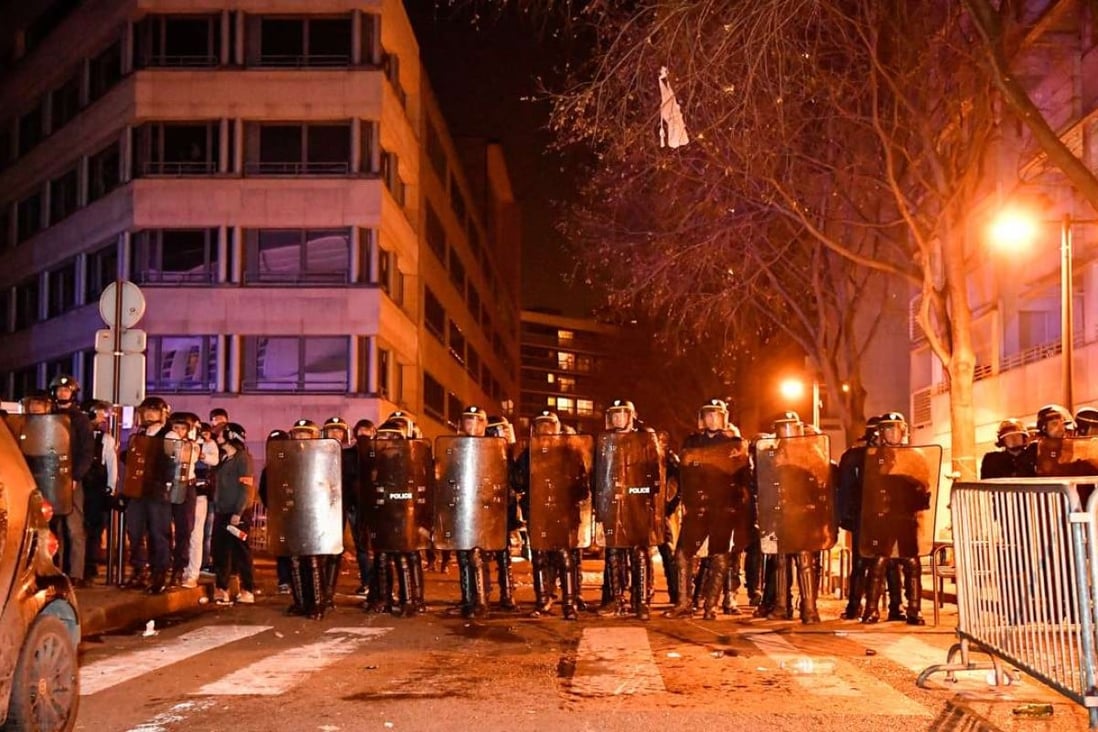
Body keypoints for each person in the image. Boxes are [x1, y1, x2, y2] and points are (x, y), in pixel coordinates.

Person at [666, 398, 749, 620]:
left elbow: (742, 477)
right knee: (682, 555)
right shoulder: (692, 442)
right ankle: (683, 603)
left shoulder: (734, 444)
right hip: (697, 507)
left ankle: (710, 606)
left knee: (720, 557)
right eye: (709, 415)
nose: (713, 419)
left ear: (724, 418)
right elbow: (685, 472)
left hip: (722, 507)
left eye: (717, 415)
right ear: (703, 418)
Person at [596, 398, 669, 621]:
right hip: (613, 502)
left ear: (631, 415)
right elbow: (599, 473)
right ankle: (617, 599)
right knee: (614, 552)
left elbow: (655, 471)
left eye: (622, 413)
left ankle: (642, 602)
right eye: (614, 414)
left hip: (638, 503)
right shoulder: (606, 439)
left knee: (639, 552)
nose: (618, 418)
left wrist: (644, 495)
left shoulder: (645, 436)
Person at [862, 412, 928, 625]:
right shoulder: (874, 456)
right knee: (880, 560)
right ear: (881, 433)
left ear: (903, 431)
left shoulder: (916, 455)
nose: (892, 433)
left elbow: (925, 483)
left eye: (895, 429)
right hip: (883, 515)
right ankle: (871, 609)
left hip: (907, 514)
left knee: (911, 561)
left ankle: (914, 609)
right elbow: (869, 486)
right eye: (887, 429)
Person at [47, 376, 95, 588]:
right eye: (59, 390)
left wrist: (77, 477)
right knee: (52, 527)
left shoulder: (80, 419)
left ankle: (76, 573)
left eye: (66, 390)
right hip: (49, 478)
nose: (62, 393)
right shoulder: (49, 416)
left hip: (71, 478)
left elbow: (86, 451)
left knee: (74, 527)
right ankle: (53, 570)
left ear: (73, 393)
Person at [836, 416, 879, 620]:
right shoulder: (855, 456)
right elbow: (845, 488)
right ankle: (858, 606)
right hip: (863, 516)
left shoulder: (893, 455)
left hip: (876, 517)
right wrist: (846, 516)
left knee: (880, 564)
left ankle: (865, 606)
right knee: (863, 563)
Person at [211, 423, 256, 606]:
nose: (218, 436)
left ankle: (248, 589)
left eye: (222, 433)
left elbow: (246, 487)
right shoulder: (224, 459)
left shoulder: (243, 458)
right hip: (222, 511)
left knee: (241, 552)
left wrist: (239, 511)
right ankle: (222, 588)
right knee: (220, 550)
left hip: (238, 512)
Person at [485, 414, 520, 612]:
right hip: (484, 507)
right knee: (482, 552)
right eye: (502, 430)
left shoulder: (507, 452)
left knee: (503, 553)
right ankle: (484, 592)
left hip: (504, 508)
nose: (506, 434)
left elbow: (515, 480)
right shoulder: (483, 450)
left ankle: (507, 593)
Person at [81, 400, 118, 583]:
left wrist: (110, 489)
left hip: (97, 486)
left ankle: (90, 564)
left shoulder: (106, 439)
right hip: (81, 484)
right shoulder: (79, 435)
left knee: (95, 528)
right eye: (100, 414)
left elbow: (111, 464)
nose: (103, 418)